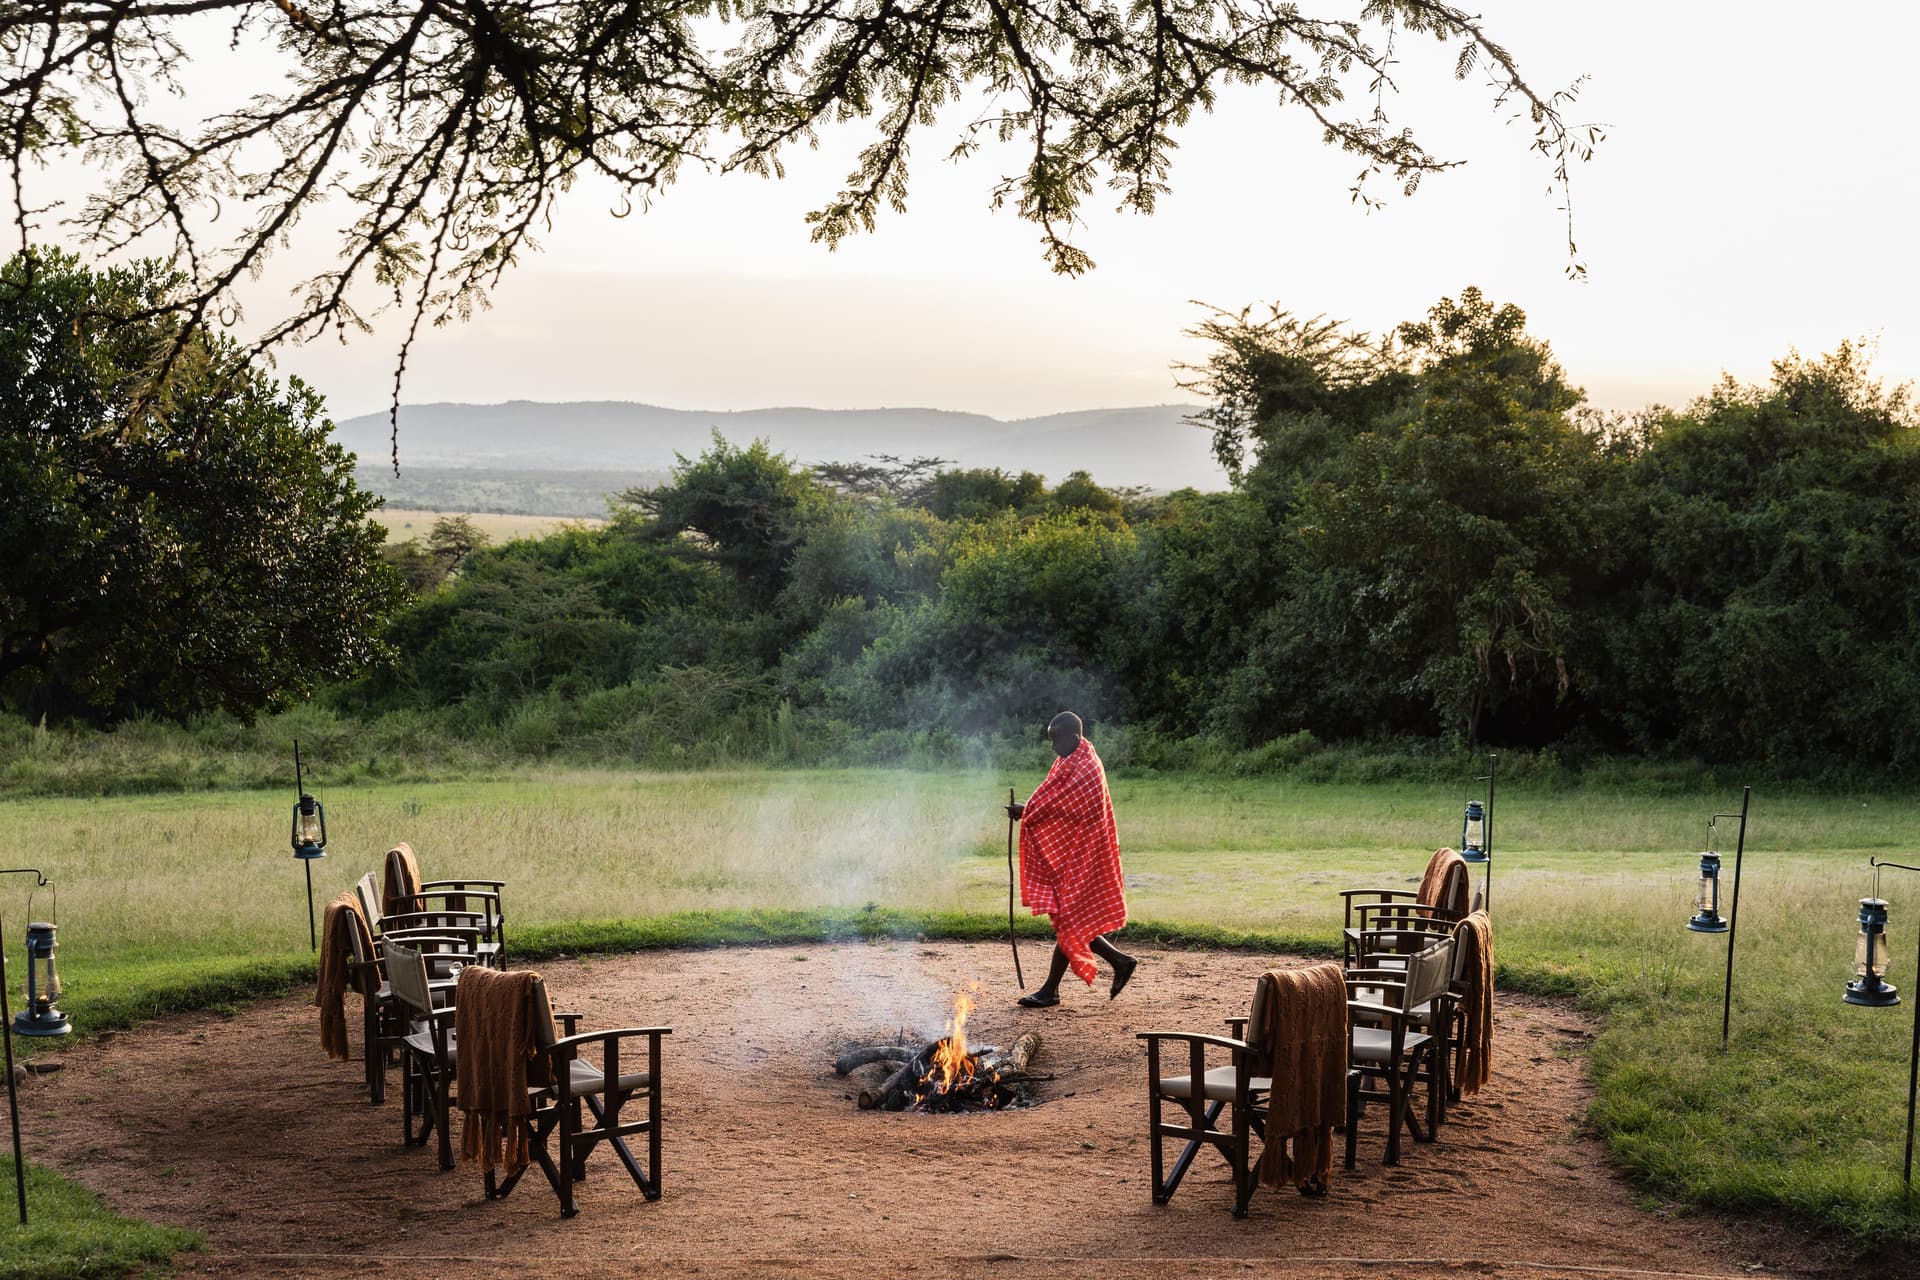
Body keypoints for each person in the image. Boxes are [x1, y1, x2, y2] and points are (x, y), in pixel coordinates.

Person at [1006, 711, 1137, 1007]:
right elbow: (1056, 803)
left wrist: (1028, 811)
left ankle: (1053, 989)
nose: (1053, 747)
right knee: (1071, 918)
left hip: (1089, 852)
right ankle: (1117, 962)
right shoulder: (1069, 761)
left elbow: (1065, 808)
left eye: (1056, 740)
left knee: (1070, 919)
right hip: (1077, 852)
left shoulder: (1086, 767)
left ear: (1074, 738)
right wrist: (1026, 810)